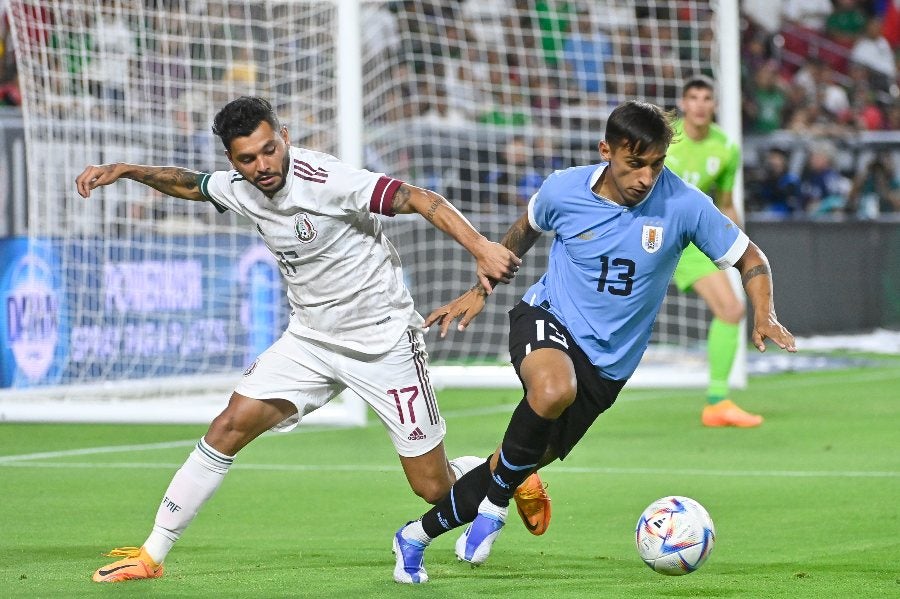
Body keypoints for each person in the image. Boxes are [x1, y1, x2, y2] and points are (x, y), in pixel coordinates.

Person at [75, 96, 549, 583]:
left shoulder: (329, 181)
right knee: (228, 426)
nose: (262, 166)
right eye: (247, 158)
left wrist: (481, 247)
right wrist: (128, 170)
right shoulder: (239, 188)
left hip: (383, 343)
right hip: (310, 341)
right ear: (232, 161)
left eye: (269, 149)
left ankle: (506, 472)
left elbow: (418, 198)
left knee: (432, 488)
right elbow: (191, 184)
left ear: (283, 136)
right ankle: (153, 554)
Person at [391, 100, 796, 583]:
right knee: (551, 391)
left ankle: (415, 535)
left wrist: (764, 312)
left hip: (607, 368)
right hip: (547, 318)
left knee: (514, 461)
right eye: (635, 163)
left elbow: (750, 256)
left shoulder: (683, 205)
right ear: (607, 151)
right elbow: (524, 231)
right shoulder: (564, 189)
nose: (647, 177)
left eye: (657, 164)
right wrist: (481, 289)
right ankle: (497, 503)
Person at [666, 76, 761, 427]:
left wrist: (737, 248)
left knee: (732, 310)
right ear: (684, 103)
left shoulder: (725, 147)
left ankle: (717, 401)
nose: (701, 104)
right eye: (693, 97)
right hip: (649, 237)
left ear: (714, 104)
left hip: (689, 244)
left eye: (707, 97)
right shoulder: (665, 138)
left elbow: (725, 203)